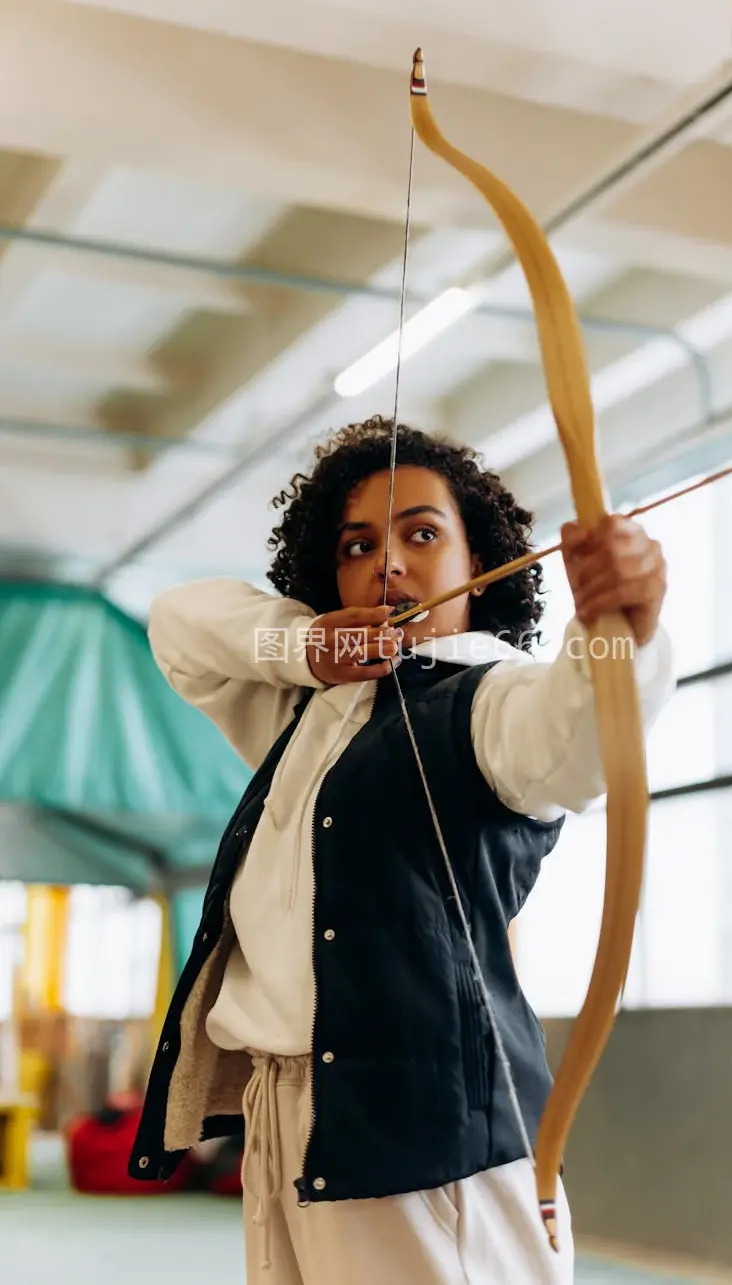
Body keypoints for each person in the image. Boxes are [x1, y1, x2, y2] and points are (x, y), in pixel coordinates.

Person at [129, 416, 675, 1284]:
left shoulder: (490, 701)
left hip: (422, 1133)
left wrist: (621, 626)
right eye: (357, 545)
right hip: (291, 1118)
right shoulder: (304, 707)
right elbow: (178, 624)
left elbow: (577, 742)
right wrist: (308, 645)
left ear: (475, 563)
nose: (387, 563)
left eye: (423, 534)